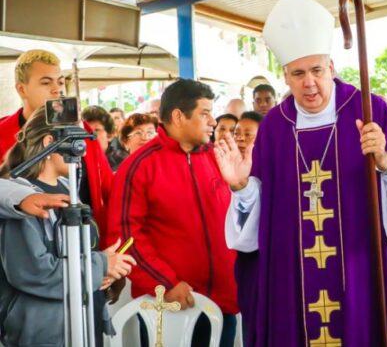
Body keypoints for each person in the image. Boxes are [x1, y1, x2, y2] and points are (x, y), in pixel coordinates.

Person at [221, 0, 387, 346]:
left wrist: (386, 163)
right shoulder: (275, 126)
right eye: (298, 73)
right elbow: (261, 220)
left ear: (332, 67)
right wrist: (242, 188)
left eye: (317, 70)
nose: (309, 83)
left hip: (361, 274)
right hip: (292, 280)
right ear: (285, 77)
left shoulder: (369, 109)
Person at [106, 80, 239, 347]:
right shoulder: (139, 165)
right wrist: (165, 283)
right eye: (205, 113)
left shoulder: (219, 158)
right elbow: (126, 237)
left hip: (222, 302)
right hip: (168, 303)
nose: (213, 121)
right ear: (178, 116)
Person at [0, 105, 136, 347]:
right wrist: (101, 264)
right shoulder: (22, 200)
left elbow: (80, 256)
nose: (82, 152)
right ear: (50, 142)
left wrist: (101, 274)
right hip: (44, 332)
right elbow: (34, 273)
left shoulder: (69, 189)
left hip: (83, 323)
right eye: (75, 141)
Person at [0, 49, 114, 246]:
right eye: (46, 82)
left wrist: (109, 252)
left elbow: (107, 188)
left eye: (60, 82)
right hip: (27, 254)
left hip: (87, 248)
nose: (57, 90)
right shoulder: (2, 133)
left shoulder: (82, 130)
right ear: (21, 89)